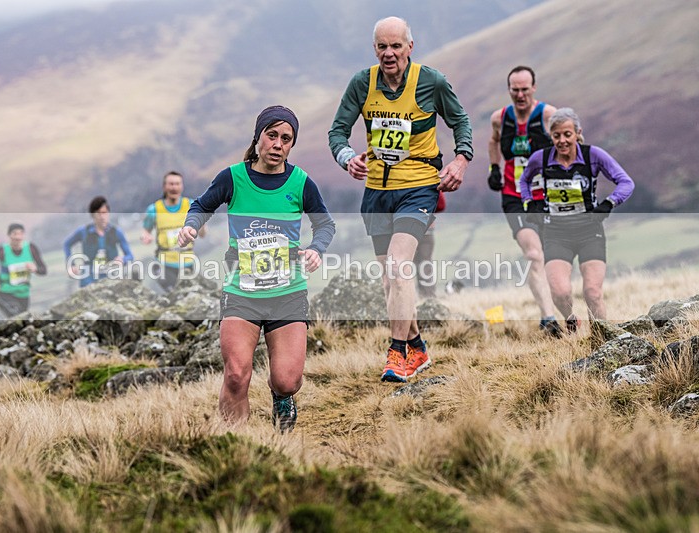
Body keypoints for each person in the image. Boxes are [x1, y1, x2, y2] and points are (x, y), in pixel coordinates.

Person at [328, 16, 472, 383]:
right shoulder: (362, 83)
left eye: (396, 46)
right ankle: (419, 347)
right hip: (377, 190)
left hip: (419, 186)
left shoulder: (431, 81)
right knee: (391, 283)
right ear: (374, 49)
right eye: (382, 47)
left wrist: (460, 159)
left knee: (398, 266)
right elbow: (338, 132)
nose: (389, 53)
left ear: (410, 46)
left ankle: (397, 354)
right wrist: (348, 158)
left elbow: (461, 122)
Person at [178, 105, 335, 432]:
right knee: (236, 375)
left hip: (287, 293)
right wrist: (191, 226)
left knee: (287, 380)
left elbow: (325, 225)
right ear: (259, 137)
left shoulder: (300, 182)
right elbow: (201, 206)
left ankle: (282, 397)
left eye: (286, 139)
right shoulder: (232, 177)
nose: (278, 144)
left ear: (292, 144)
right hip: (241, 292)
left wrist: (316, 249)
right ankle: (235, 446)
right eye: (272, 135)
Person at [520, 107, 634, 330]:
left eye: (567, 134)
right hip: (555, 233)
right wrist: (529, 203)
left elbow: (626, 182)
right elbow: (523, 181)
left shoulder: (593, 156)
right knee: (560, 293)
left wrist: (609, 203)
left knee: (592, 292)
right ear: (551, 136)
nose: (562, 141)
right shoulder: (540, 159)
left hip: (589, 231)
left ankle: (603, 338)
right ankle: (572, 320)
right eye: (556, 136)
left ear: (578, 133)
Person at [488, 65, 561, 335]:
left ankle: (562, 307)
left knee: (552, 256)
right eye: (515, 90)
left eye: (524, 89)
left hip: (547, 195)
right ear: (509, 90)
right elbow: (494, 141)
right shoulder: (500, 118)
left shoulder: (548, 115)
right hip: (514, 195)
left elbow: (571, 142)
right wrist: (494, 168)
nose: (520, 95)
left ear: (534, 88)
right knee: (533, 253)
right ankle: (548, 318)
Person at [141, 171, 206, 292]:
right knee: (173, 294)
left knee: (194, 295)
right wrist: (145, 237)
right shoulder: (154, 209)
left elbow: (202, 234)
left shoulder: (192, 205)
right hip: (164, 264)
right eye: (171, 184)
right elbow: (146, 231)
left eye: (177, 184)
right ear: (164, 187)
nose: (174, 187)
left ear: (182, 186)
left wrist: (202, 221)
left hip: (188, 262)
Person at [0, 223, 48, 318]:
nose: (18, 237)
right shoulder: (2, 250)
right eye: (15, 234)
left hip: (24, 294)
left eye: (21, 233)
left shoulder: (31, 248)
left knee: (23, 322)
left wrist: (35, 269)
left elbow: (43, 270)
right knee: (18, 318)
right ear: (9, 235)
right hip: (5, 293)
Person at [63, 196, 134, 287]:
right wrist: (71, 265)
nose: (102, 217)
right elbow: (67, 244)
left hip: (111, 277)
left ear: (108, 213)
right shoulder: (83, 232)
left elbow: (130, 256)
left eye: (104, 213)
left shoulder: (116, 232)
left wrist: (122, 260)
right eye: (98, 213)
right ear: (93, 215)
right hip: (88, 279)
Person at [414, 191, 445, 299]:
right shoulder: (429, 179)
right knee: (425, 263)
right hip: (427, 228)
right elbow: (441, 205)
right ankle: (428, 296)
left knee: (404, 264)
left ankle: (408, 297)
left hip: (403, 229)